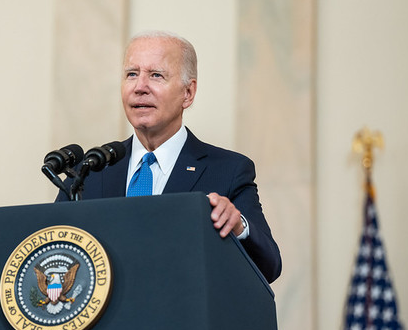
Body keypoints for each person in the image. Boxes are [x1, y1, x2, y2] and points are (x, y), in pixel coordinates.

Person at [56, 31, 281, 284]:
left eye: (156, 75)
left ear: (188, 93)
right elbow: (52, 257)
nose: (140, 87)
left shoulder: (228, 170)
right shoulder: (88, 172)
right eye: (132, 74)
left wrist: (239, 226)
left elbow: (269, 267)